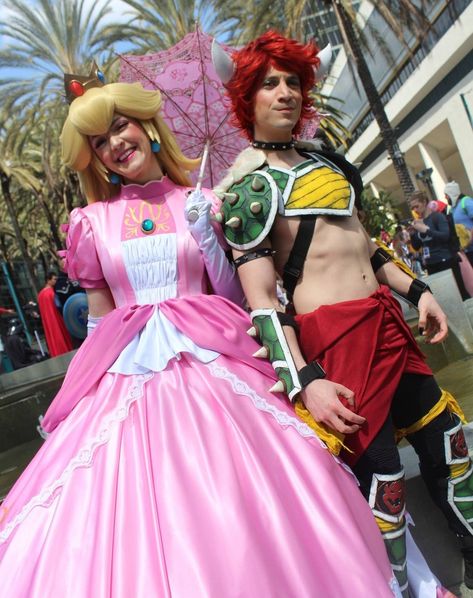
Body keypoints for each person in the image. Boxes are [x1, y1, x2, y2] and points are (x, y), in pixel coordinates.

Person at [0, 71, 399, 597]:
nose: (116, 143)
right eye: (100, 141)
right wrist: (77, 393)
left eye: (121, 126)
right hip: (131, 372)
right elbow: (98, 322)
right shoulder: (90, 223)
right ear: (94, 157)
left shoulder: (208, 202)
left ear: (148, 127)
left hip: (214, 352)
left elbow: (240, 297)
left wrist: (211, 242)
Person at [213, 30, 473, 594]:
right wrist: (307, 382)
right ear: (245, 97)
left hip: (387, 326)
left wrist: (419, 291)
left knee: (451, 446)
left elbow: (369, 251)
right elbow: (261, 300)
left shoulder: (329, 167)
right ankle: (397, 589)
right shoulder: (247, 190)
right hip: (334, 348)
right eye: (269, 83)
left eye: (293, 82)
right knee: (381, 479)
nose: (285, 93)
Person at [408, 191, 470, 301]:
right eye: (413, 208)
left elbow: (445, 236)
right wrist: (413, 234)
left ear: (424, 202)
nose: (415, 210)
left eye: (417, 206)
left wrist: (427, 230)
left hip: (446, 260)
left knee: (460, 293)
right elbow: (417, 246)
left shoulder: (437, 217)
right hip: (431, 264)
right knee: (445, 297)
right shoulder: (419, 222)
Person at [37, 270, 74, 356]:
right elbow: (59, 306)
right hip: (56, 318)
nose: (55, 281)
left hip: (48, 321)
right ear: (48, 280)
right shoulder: (51, 293)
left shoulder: (40, 295)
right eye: (54, 279)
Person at [445, 181, 473, 266]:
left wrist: (470, 241)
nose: (445, 197)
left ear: (452, 193)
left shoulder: (466, 202)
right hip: (465, 251)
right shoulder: (451, 209)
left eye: (446, 194)